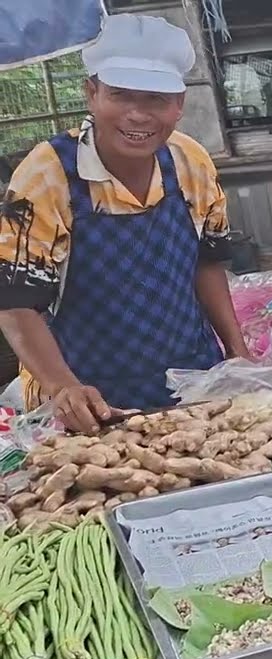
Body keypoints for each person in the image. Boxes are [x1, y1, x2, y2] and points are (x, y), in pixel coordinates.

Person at [0, 14, 249, 433]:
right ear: (92, 93)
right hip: (88, 397)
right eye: (121, 95)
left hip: (192, 382)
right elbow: (13, 298)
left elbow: (207, 262)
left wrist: (236, 350)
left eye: (156, 99)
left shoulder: (190, 162)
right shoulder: (48, 175)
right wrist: (63, 387)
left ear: (179, 104)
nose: (138, 115)